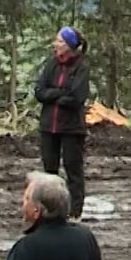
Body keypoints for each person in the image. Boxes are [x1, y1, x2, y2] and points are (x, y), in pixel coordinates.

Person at [34, 27, 90, 220]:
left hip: (72, 128)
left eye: (59, 41)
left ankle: (75, 213)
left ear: (69, 46)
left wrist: (54, 94)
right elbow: (39, 92)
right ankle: (50, 210)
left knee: (73, 169)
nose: (55, 44)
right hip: (49, 126)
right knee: (49, 169)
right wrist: (60, 93)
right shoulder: (51, 64)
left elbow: (76, 97)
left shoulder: (81, 67)